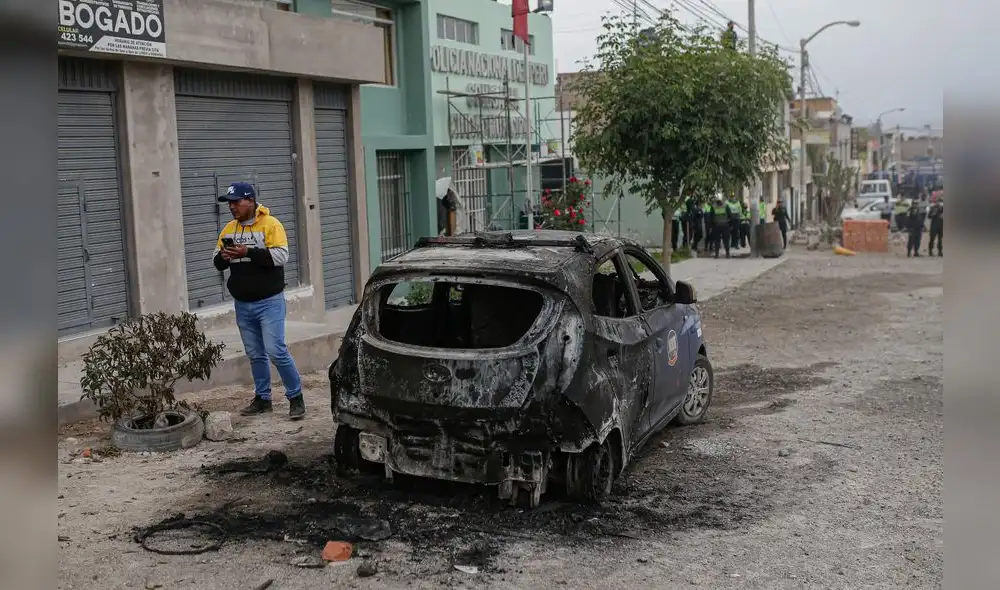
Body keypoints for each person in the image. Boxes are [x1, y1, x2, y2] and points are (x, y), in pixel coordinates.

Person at [214, 181, 305, 419]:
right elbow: (217, 262)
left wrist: (248, 252)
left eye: (236, 202)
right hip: (243, 304)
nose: (231, 207)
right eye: (229, 203)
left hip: (269, 302)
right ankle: (263, 399)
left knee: (276, 350)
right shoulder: (228, 229)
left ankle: (296, 397)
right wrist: (224, 256)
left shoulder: (271, 225)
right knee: (255, 354)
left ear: (251, 201)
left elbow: (281, 256)